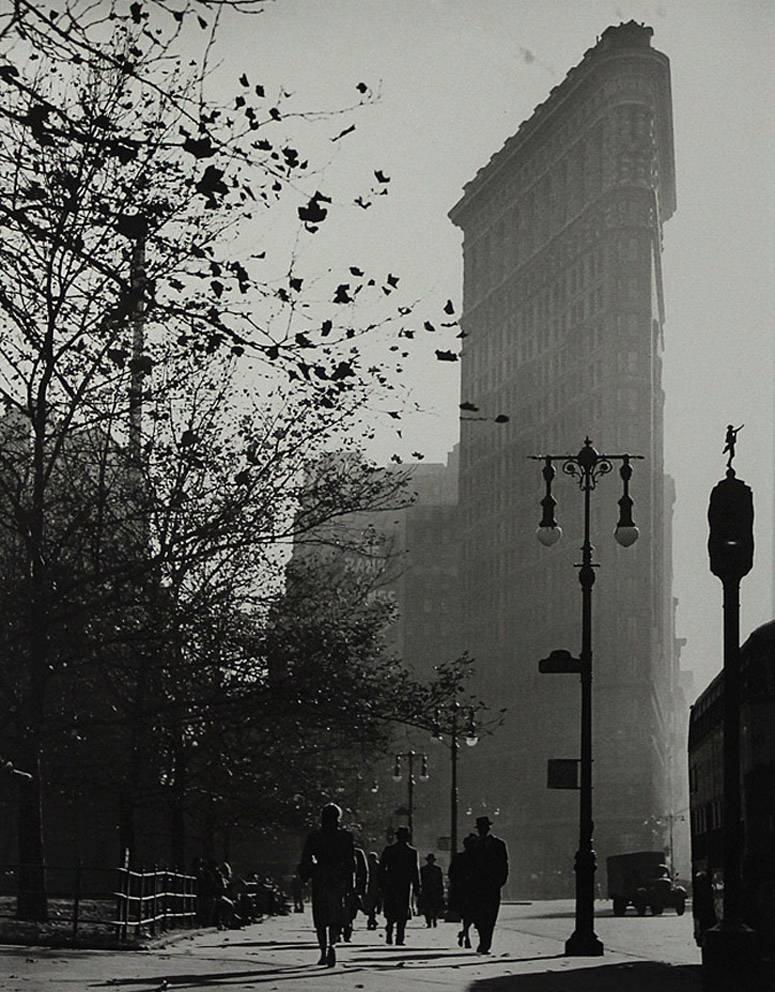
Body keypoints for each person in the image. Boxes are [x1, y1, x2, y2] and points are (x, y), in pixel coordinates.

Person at [298, 802, 356, 967]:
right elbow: (351, 862)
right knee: (336, 913)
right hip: (338, 878)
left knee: (321, 917)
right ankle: (332, 945)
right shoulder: (345, 837)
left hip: (321, 876)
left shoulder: (315, 836)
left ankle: (323, 950)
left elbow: (306, 858)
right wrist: (350, 883)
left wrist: (306, 876)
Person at [470, 815, 508, 954]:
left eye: (484, 828)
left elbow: (504, 864)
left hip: (492, 884)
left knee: (490, 914)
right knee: (478, 915)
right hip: (477, 885)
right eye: (480, 828)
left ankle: (486, 942)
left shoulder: (498, 844)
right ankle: (483, 938)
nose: (482, 830)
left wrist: (500, 881)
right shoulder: (473, 845)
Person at [379, 826, 420, 946]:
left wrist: (381, 883)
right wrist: (417, 886)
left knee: (391, 910)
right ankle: (399, 936)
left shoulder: (389, 850)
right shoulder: (411, 852)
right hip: (404, 884)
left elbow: (382, 868)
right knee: (402, 910)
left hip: (391, 884)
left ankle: (390, 931)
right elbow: (415, 871)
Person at [447, 833, 477, 948]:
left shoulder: (477, 858)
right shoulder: (460, 858)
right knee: (467, 914)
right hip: (464, 890)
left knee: (471, 915)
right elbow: (452, 874)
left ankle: (464, 933)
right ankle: (466, 934)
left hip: (472, 890)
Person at [342, 844, 369, 941]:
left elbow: (364, 872)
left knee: (351, 909)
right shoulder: (336, 850)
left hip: (353, 887)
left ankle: (347, 927)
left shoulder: (358, 853)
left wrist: (362, 888)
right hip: (339, 886)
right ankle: (340, 928)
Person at [419, 853, 444, 927]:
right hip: (433, 890)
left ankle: (429, 921)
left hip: (428, 890)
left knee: (428, 907)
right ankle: (432, 920)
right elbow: (440, 881)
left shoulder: (423, 869)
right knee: (433, 906)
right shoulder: (437, 869)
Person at [362, 851, 382, 930]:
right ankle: (372, 920)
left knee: (370, 906)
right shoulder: (378, 865)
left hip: (368, 889)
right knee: (374, 906)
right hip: (376, 889)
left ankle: (371, 920)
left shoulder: (367, 865)